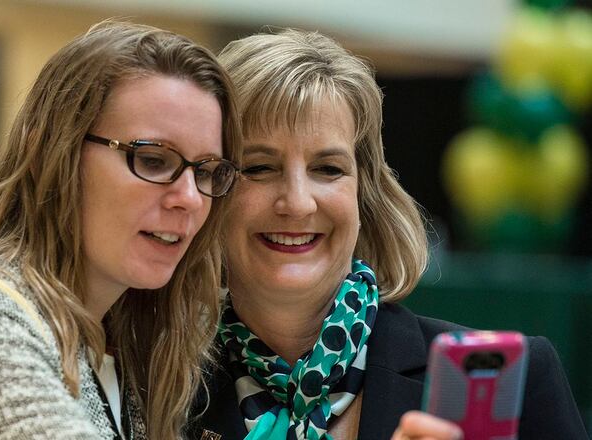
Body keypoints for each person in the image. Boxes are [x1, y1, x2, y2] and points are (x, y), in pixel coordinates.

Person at [187, 29, 588, 439]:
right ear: (209, 191)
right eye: (259, 167)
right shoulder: (158, 386)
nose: (298, 202)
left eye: (328, 169)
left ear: (366, 195)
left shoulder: (514, 382)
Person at [0, 21, 242, 440]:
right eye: (152, 160)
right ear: (53, 155)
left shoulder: (124, 346)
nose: (190, 197)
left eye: (206, 171)